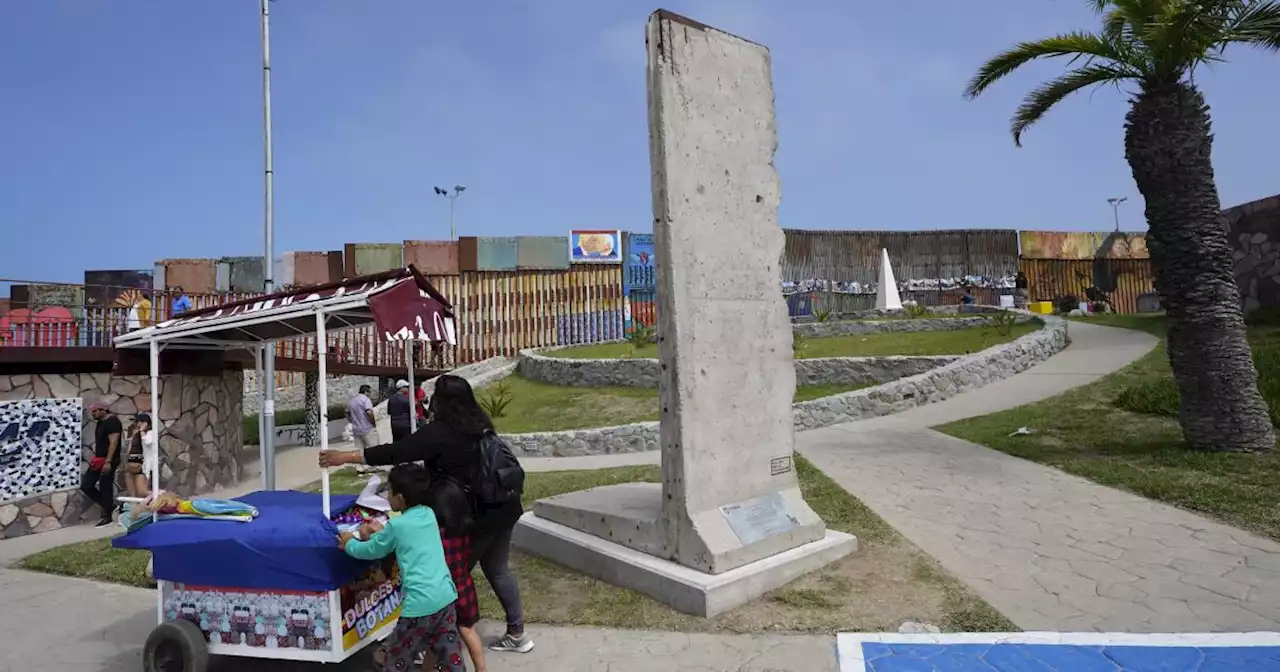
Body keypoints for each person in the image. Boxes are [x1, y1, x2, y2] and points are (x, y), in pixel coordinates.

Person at [320, 375, 534, 654]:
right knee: (498, 569)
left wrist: (346, 457)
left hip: (473, 516)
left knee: (447, 578)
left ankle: (435, 640)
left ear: (441, 401)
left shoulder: (442, 431)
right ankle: (517, 633)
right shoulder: (480, 424)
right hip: (503, 507)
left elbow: (397, 451)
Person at [339, 464, 465, 672]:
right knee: (450, 657)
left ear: (401, 498)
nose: (387, 496)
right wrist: (382, 531)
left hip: (419, 606)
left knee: (397, 660)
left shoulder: (397, 526)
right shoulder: (428, 513)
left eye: (389, 491)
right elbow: (404, 536)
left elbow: (372, 550)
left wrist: (349, 544)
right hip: (445, 598)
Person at [81, 401, 122, 527]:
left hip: (108, 460)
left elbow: (113, 443)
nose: (93, 414)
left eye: (95, 411)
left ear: (103, 409)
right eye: (92, 411)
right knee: (86, 485)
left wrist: (108, 462)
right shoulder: (100, 422)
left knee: (105, 486)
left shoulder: (113, 421)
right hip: (99, 459)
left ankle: (107, 515)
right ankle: (111, 506)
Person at [123, 413, 158, 500]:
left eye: (137, 422)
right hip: (135, 464)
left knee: (142, 491)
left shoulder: (151, 433)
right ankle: (134, 506)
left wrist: (142, 430)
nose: (136, 424)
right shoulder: (136, 433)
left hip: (145, 465)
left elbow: (147, 442)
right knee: (134, 493)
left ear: (144, 423)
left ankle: (161, 496)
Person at [345, 385, 379, 449]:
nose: (370, 394)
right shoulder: (365, 399)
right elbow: (369, 412)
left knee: (360, 451)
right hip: (367, 429)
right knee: (374, 449)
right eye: (369, 392)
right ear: (366, 392)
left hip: (356, 430)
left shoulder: (352, 400)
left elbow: (347, 413)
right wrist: (373, 422)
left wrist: (352, 421)